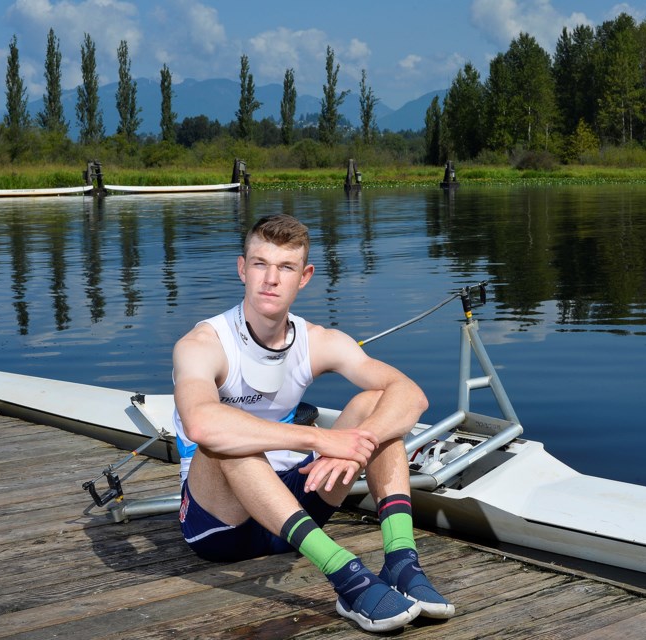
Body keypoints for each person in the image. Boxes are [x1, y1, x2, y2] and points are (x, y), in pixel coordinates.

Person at [172, 214, 455, 632]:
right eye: (260, 264)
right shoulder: (202, 345)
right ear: (241, 269)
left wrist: (364, 438)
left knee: (378, 404)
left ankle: (401, 562)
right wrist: (320, 439)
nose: (271, 279)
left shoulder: (320, 341)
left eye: (285, 267)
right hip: (219, 526)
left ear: (303, 277)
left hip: (294, 505)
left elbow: (410, 394)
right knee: (225, 434)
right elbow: (199, 425)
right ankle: (347, 576)